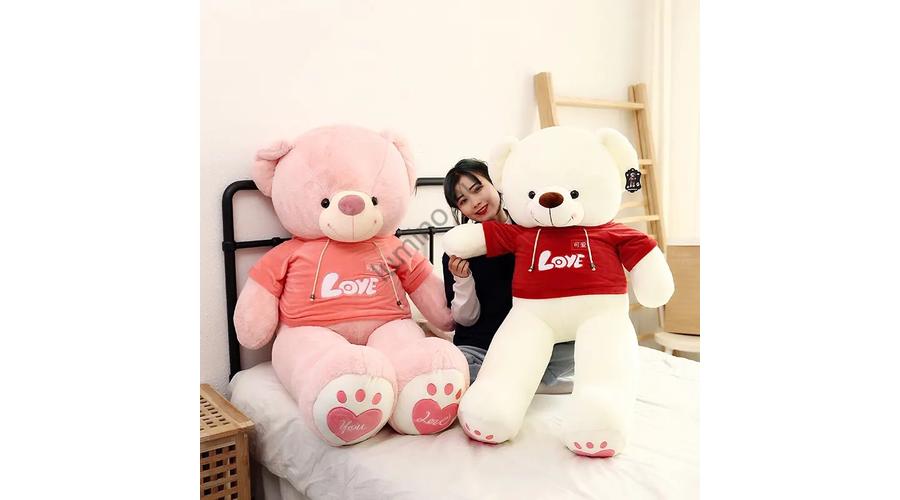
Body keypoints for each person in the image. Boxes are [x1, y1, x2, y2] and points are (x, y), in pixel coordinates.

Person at [441, 159, 574, 394]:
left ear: (495, 182)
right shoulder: (458, 251)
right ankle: (536, 383)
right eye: (463, 201)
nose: (476, 202)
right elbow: (466, 320)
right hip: (482, 348)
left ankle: (516, 382)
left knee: (583, 344)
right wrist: (463, 280)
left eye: (478, 189)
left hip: (531, 344)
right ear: (459, 210)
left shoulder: (534, 230)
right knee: (453, 367)